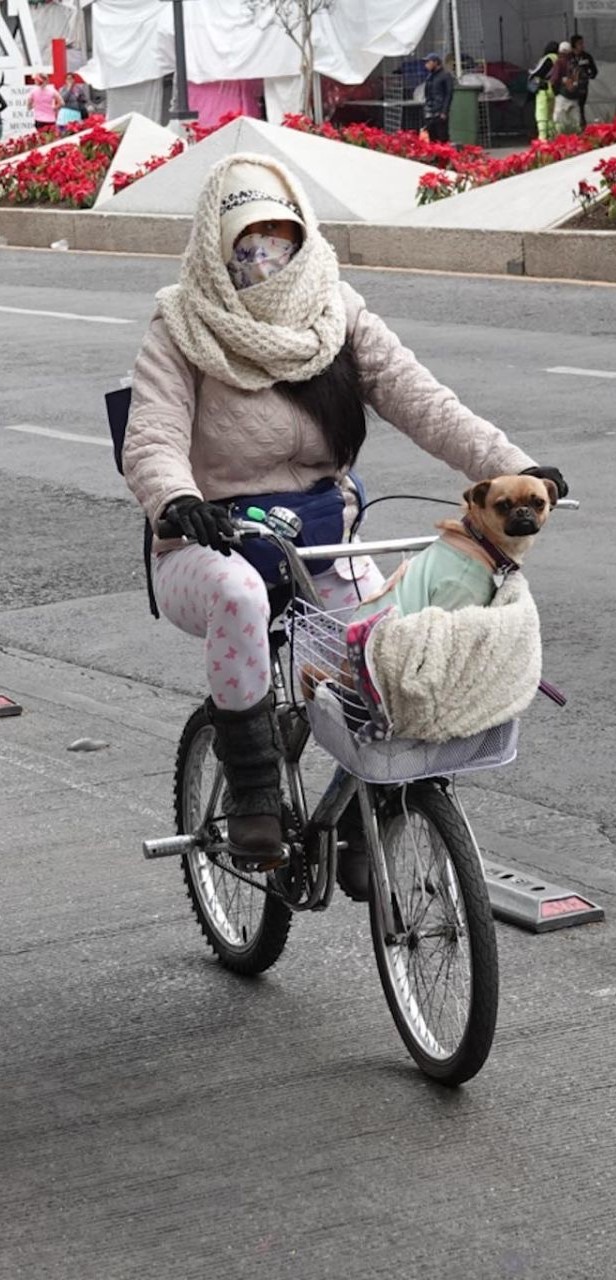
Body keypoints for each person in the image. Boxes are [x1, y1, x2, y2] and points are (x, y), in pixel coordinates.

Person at [121, 153, 566, 897]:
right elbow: (153, 435)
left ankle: (375, 810)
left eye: (278, 240)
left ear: (303, 239)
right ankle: (257, 787)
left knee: (396, 635)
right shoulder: (182, 323)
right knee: (238, 597)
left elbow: (423, 400)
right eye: (245, 245)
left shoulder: (338, 311)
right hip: (209, 543)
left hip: (318, 542)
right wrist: (175, 499)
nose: (264, 259)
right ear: (213, 248)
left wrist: (520, 467)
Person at [420, 50, 453, 142]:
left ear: (436, 62)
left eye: (428, 62)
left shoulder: (445, 76)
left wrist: (444, 111)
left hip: (440, 112)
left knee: (442, 137)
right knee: (432, 138)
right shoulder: (430, 77)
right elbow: (427, 94)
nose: (426, 65)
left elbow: (448, 94)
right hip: (430, 112)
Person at [551, 40, 583, 134]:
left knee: (559, 122)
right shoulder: (575, 63)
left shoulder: (559, 63)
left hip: (562, 96)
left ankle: (562, 141)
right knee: (575, 122)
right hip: (575, 96)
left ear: (560, 52)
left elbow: (554, 80)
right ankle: (577, 140)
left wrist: (556, 93)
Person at [530, 40, 560, 141]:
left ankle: (542, 137)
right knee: (550, 114)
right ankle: (552, 136)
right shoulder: (558, 58)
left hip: (543, 88)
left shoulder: (547, 58)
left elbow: (538, 73)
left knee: (541, 113)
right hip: (553, 89)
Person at [571, 33, 599, 128]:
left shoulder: (587, 56)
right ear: (574, 45)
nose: (582, 46)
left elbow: (594, 70)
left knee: (581, 106)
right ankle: (573, 126)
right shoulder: (569, 57)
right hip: (571, 87)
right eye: (579, 43)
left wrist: (589, 75)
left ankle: (582, 126)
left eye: (582, 43)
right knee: (572, 107)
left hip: (583, 86)